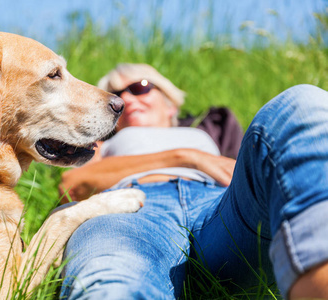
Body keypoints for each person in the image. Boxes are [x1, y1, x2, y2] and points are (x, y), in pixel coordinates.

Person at [58, 63, 328, 300]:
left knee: (300, 103)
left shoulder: (205, 131)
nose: (127, 97)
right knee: (112, 283)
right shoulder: (104, 144)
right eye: (117, 95)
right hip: (131, 211)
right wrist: (189, 158)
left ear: (170, 103)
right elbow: (73, 183)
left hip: (218, 210)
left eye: (140, 87)